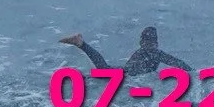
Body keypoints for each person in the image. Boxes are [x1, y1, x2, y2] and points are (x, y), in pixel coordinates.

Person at [60, 26, 188, 76]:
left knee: (103, 68)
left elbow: (176, 62)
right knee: (103, 69)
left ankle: (81, 43)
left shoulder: (144, 51)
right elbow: (177, 63)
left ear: (141, 41)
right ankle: (81, 43)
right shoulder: (157, 53)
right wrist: (193, 73)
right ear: (156, 42)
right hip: (126, 75)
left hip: (126, 73)